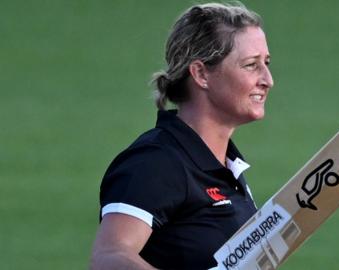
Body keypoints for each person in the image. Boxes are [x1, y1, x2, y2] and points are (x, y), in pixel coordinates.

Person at [90, 2, 274, 270]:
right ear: (201, 74)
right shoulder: (156, 162)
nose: (268, 79)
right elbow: (109, 258)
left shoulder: (227, 167)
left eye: (266, 63)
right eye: (251, 65)